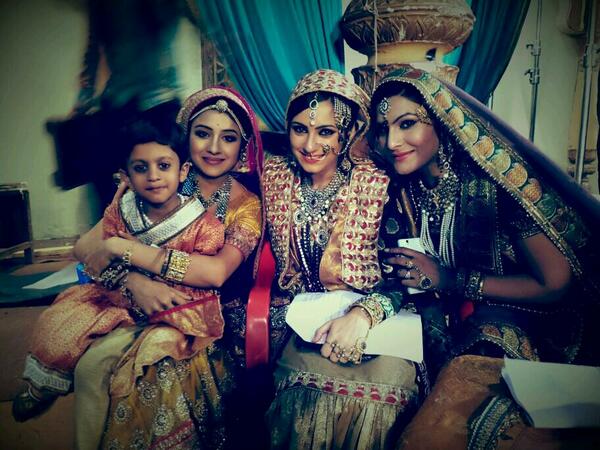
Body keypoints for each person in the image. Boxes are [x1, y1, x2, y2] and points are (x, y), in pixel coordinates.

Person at [72, 86, 263, 450]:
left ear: (242, 147)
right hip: (136, 308)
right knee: (92, 366)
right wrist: (132, 281)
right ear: (185, 137)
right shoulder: (157, 175)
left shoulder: (246, 204)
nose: (214, 148)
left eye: (228, 138)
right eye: (203, 133)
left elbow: (215, 273)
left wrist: (128, 250)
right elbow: (85, 247)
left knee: (149, 369)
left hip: (210, 320)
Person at [371, 66, 600, 366]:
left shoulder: (497, 183)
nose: (392, 142)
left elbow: (554, 283)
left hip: (522, 318)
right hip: (441, 314)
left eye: (407, 124)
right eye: (382, 129)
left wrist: (450, 280)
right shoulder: (400, 187)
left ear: (441, 119)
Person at [12, 117, 225, 423]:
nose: (153, 176)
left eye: (164, 166)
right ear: (126, 175)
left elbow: (203, 278)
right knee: (61, 324)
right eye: (141, 168)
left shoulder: (202, 224)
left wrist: (142, 262)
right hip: (116, 298)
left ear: (183, 171)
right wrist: (128, 279)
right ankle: (41, 385)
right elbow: (97, 260)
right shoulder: (122, 210)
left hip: (173, 309)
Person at [264, 69, 421, 450]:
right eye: (299, 129)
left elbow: (407, 275)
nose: (310, 145)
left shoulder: (377, 184)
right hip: (303, 320)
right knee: (305, 401)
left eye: (326, 132)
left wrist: (363, 316)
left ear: (347, 134)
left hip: (379, 319)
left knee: (380, 400)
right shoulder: (275, 176)